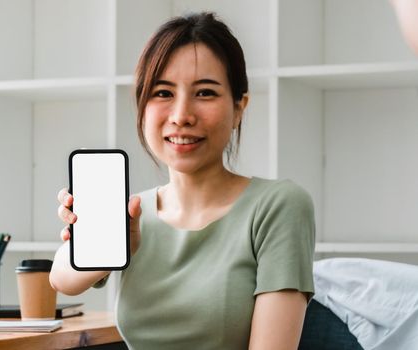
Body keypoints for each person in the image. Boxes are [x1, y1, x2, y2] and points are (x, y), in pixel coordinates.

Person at [50, 12, 315, 350]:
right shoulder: (132, 213)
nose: (181, 116)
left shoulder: (278, 205)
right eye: (162, 93)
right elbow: (62, 280)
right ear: (142, 106)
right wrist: (104, 245)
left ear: (239, 108)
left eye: (205, 92)